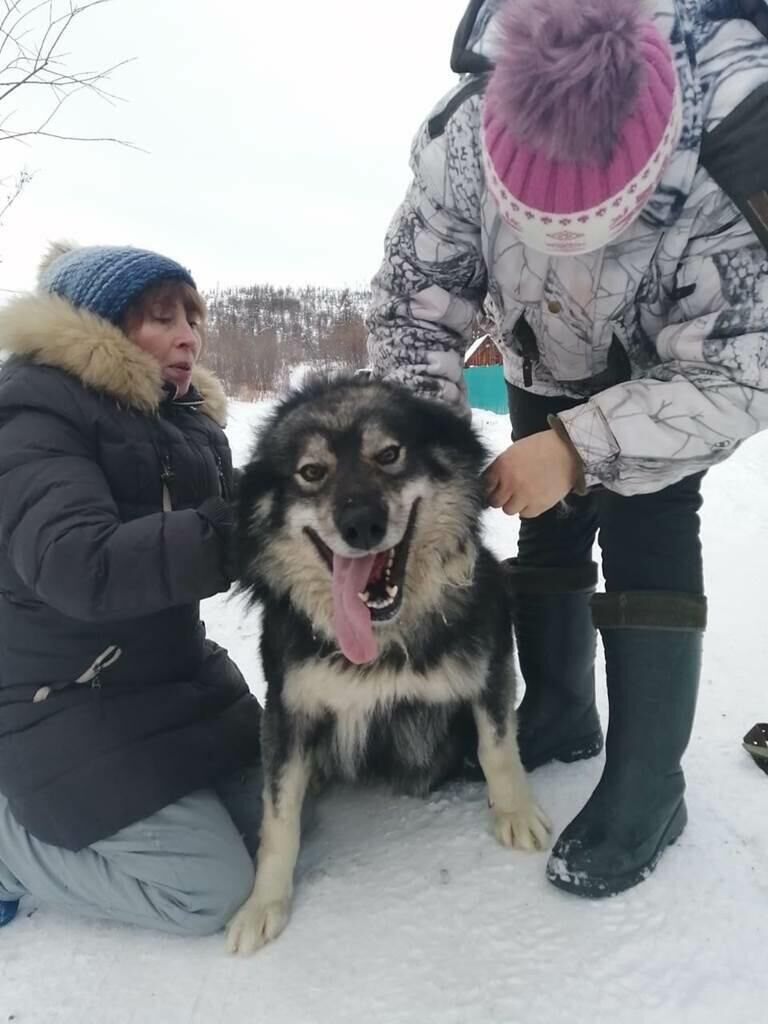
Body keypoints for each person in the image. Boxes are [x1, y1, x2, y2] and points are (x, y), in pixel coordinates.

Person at [367, 0, 768, 897]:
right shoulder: (464, 138)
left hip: (671, 366)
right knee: (543, 524)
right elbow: (413, 306)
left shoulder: (742, 142)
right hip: (538, 351)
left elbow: (747, 367)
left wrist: (581, 448)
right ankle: (557, 707)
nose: (557, 249)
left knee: (647, 525)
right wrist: (415, 463)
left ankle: (649, 783)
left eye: (583, 232)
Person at [0, 242, 263, 933]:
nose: (189, 335)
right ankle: (8, 845)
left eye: (193, 317)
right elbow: (78, 563)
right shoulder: (33, 418)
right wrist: (248, 528)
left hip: (168, 677)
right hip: (65, 699)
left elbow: (242, 541)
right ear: (99, 325)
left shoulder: (183, 424)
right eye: (160, 316)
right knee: (211, 890)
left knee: (288, 817)